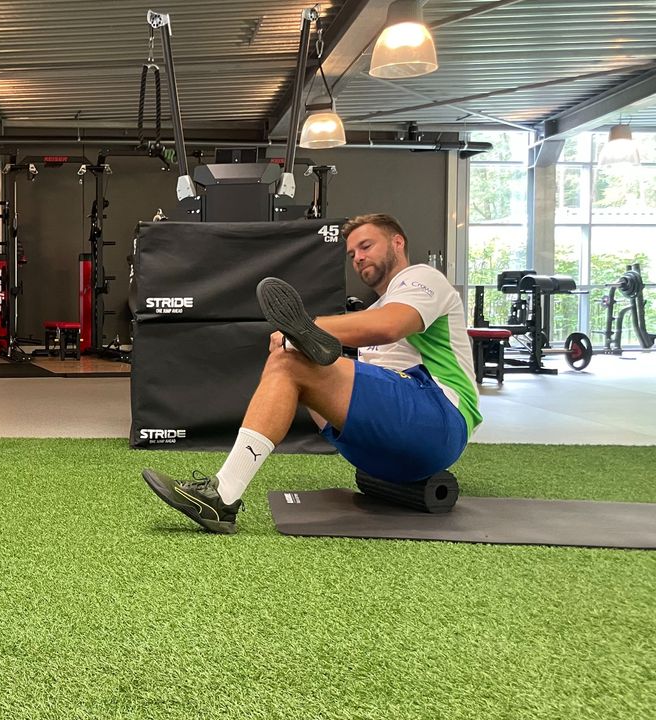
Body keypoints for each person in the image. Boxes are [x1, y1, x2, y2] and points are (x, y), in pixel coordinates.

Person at [143, 213, 480, 534]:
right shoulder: (373, 307)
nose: (358, 257)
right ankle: (223, 493)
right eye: (351, 253)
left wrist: (311, 326)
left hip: (442, 420)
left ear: (397, 243)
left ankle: (223, 495)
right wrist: (300, 341)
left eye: (366, 246)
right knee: (290, 356)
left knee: (291, 360)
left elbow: (391, 325)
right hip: (383, 456)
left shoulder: (421, 278)